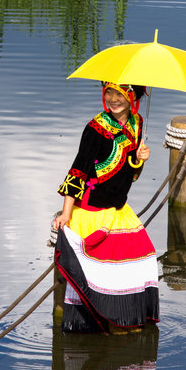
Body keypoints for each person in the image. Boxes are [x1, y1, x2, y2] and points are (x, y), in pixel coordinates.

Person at [52, 81, 159, 333]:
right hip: (91, 212)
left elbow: (130, 175)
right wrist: (66, 212)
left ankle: (124, 321)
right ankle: (99, 326)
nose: (113, 99)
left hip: (118, 211)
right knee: (96, 276)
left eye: (120, 93)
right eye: (108, 92)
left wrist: (139, 159)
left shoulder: (137, 124)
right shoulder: (94, 130)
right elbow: (78, 170)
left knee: (140, 262)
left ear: (132, 95)